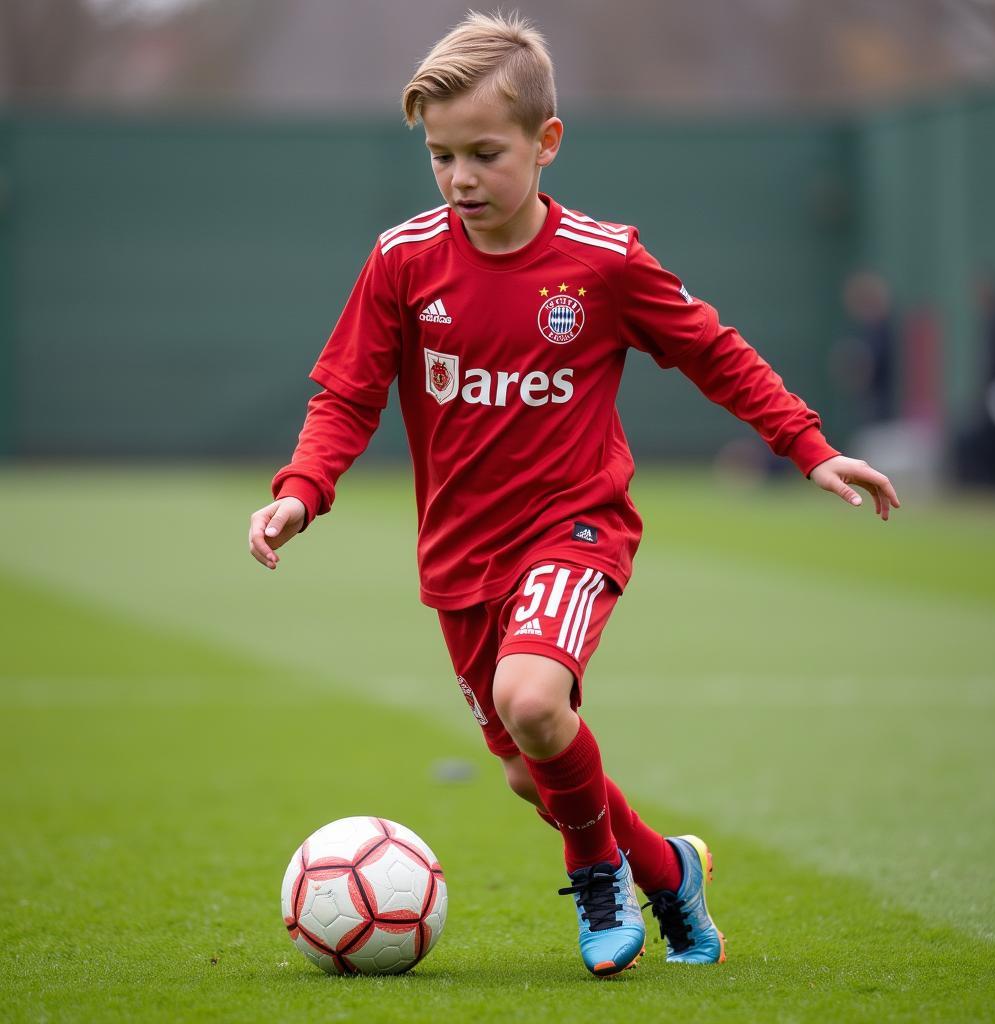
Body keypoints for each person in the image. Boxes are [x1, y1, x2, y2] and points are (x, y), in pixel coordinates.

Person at [248, 11, 899, 978]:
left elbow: (712, 352)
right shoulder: (402, 261)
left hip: (574, 527)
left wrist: (808, 448)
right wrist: (301, 491)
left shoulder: (602, 261)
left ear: (546, 143)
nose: (461, 178)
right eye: (440, 156)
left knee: (533, 700)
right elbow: (347, 392)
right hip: (459, 560)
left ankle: (596, 877)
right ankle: (667, 870)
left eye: (484, 152)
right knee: (525, 764)